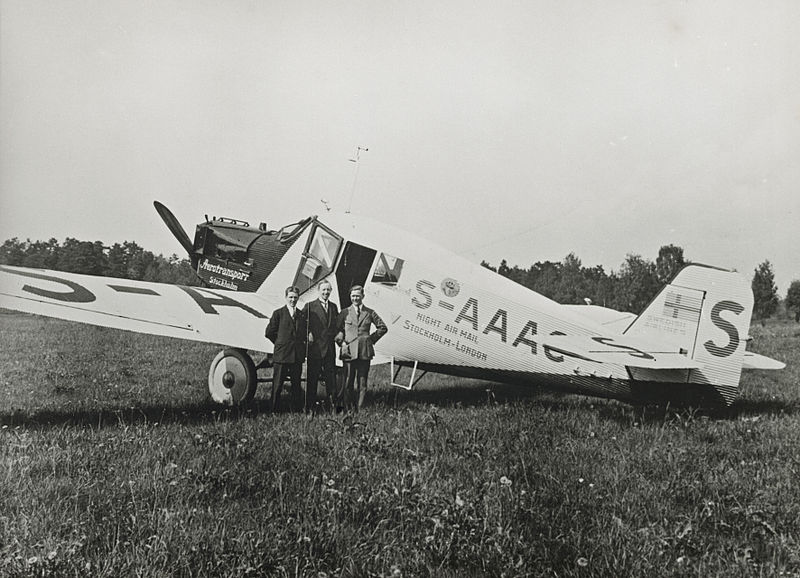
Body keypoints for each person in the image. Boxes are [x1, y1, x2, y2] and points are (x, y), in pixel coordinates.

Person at [335, 285, 387, 413]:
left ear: (363, 296)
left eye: (358, 295)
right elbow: (336, 330)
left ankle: (360, 409)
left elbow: (382, 327)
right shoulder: (344, 313)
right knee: (348, 382)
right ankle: (347, 409)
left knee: (362, 383)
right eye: (353, 296)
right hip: (349, 352)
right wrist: (341, 342)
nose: (355, 298)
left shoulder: (370, 312)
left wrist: (370, 340)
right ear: (350, 297)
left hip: (364, 352)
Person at [264, 286, 306, 412]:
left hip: (296, 356)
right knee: (277, 384)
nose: (293, 300)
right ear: (286, 298)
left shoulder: (301, 314)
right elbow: (269, 332)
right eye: (290, 297)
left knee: (296, 384)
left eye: (295, 297)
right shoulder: (278, 313)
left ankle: (295, 409)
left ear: (298, 298)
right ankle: (274, 409)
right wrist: (279, 343)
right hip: (282, 355)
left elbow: (302, 333)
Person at [303, 279, 340, 413]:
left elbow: (336, 326)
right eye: (323, 290)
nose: (325, 292)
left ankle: (332, 408)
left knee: (331, 381)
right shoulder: (309, 306)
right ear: (318, 291)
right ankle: (310, 409)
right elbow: (302, 324)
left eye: (328, 290)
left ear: (331, 291)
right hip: (315, 350)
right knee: (312, 381)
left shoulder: (334, 307)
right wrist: (308, 333)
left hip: (330, 350)